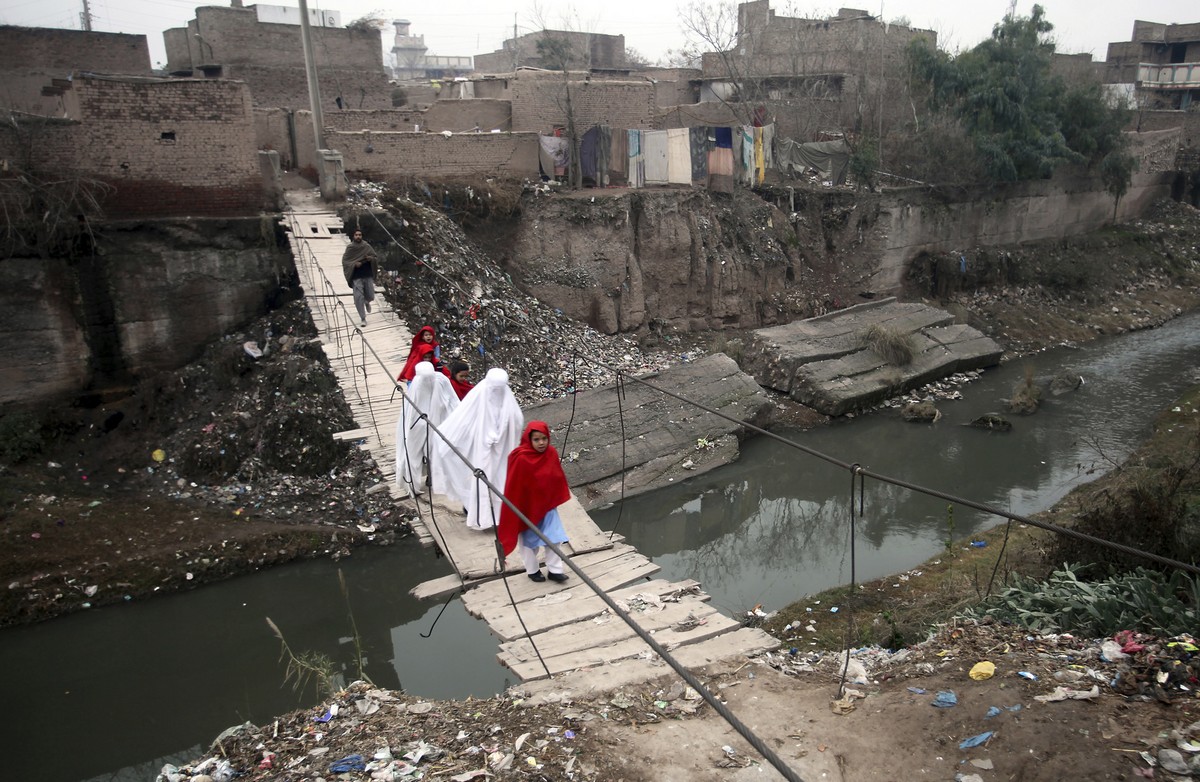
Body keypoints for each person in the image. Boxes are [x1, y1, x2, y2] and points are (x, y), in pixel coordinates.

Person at [431, 367, 524, 530]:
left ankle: (499, 517)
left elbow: (516, 421)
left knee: (501, 481)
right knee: (480, 479)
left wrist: (499, 434)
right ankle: (481, 514)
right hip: (479, 449)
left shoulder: (507, 400)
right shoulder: (478, 396)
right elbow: (463, 420)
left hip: (503, 451)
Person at [498, 421, 572, 583]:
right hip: (527, 508)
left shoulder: (550, 453)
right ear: (529, 440)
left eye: (544, 439)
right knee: (528, 543)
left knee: (554, 537)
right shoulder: (520, 457)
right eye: (537, 439)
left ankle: (555, 570)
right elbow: (514, 486)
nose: (541, 443)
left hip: (547, 506)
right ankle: (532, 570)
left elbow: (556, 478)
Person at [397, 361, 459, 497]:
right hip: (419, 421)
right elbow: (411, 412)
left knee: (439, 448)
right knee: (414, 450)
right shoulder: (417, 386)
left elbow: (451, 399)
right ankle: (413, 482)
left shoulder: (441, 380)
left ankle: (437, 477)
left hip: (441, 420)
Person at [341, 229, 377, 327]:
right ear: (353, 236)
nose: (358, 237)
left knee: (370, 295)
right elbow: (345, 261)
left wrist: (370, 259)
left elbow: (374, 257)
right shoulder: (350, 248)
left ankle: (367, 301)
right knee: (358, 297)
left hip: (367, 274)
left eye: (360, 235)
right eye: (356, 235)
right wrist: (354, 264)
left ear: (362, 236)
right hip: (356, 276)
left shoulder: (366, 246)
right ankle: (363, 318)